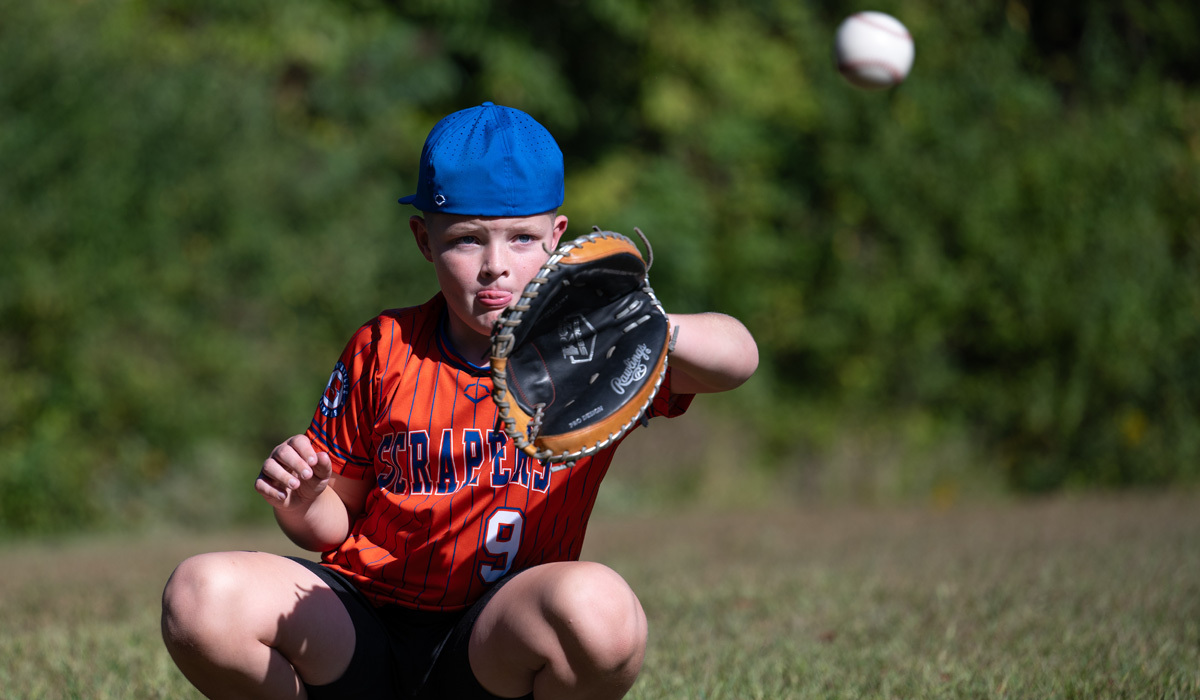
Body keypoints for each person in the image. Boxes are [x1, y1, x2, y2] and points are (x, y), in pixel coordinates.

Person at [161, 102, 758, 700]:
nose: (495, 267)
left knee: (601, 611)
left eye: (522, 238)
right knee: (200, 595)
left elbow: (737, 359)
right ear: (425, 239)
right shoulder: (385, 346)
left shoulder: (590, 357)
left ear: (556, 238)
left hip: (496, 640)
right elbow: (329, 525)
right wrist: (304, 497)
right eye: (468, 240)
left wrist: (641, 326)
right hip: (363, 621)